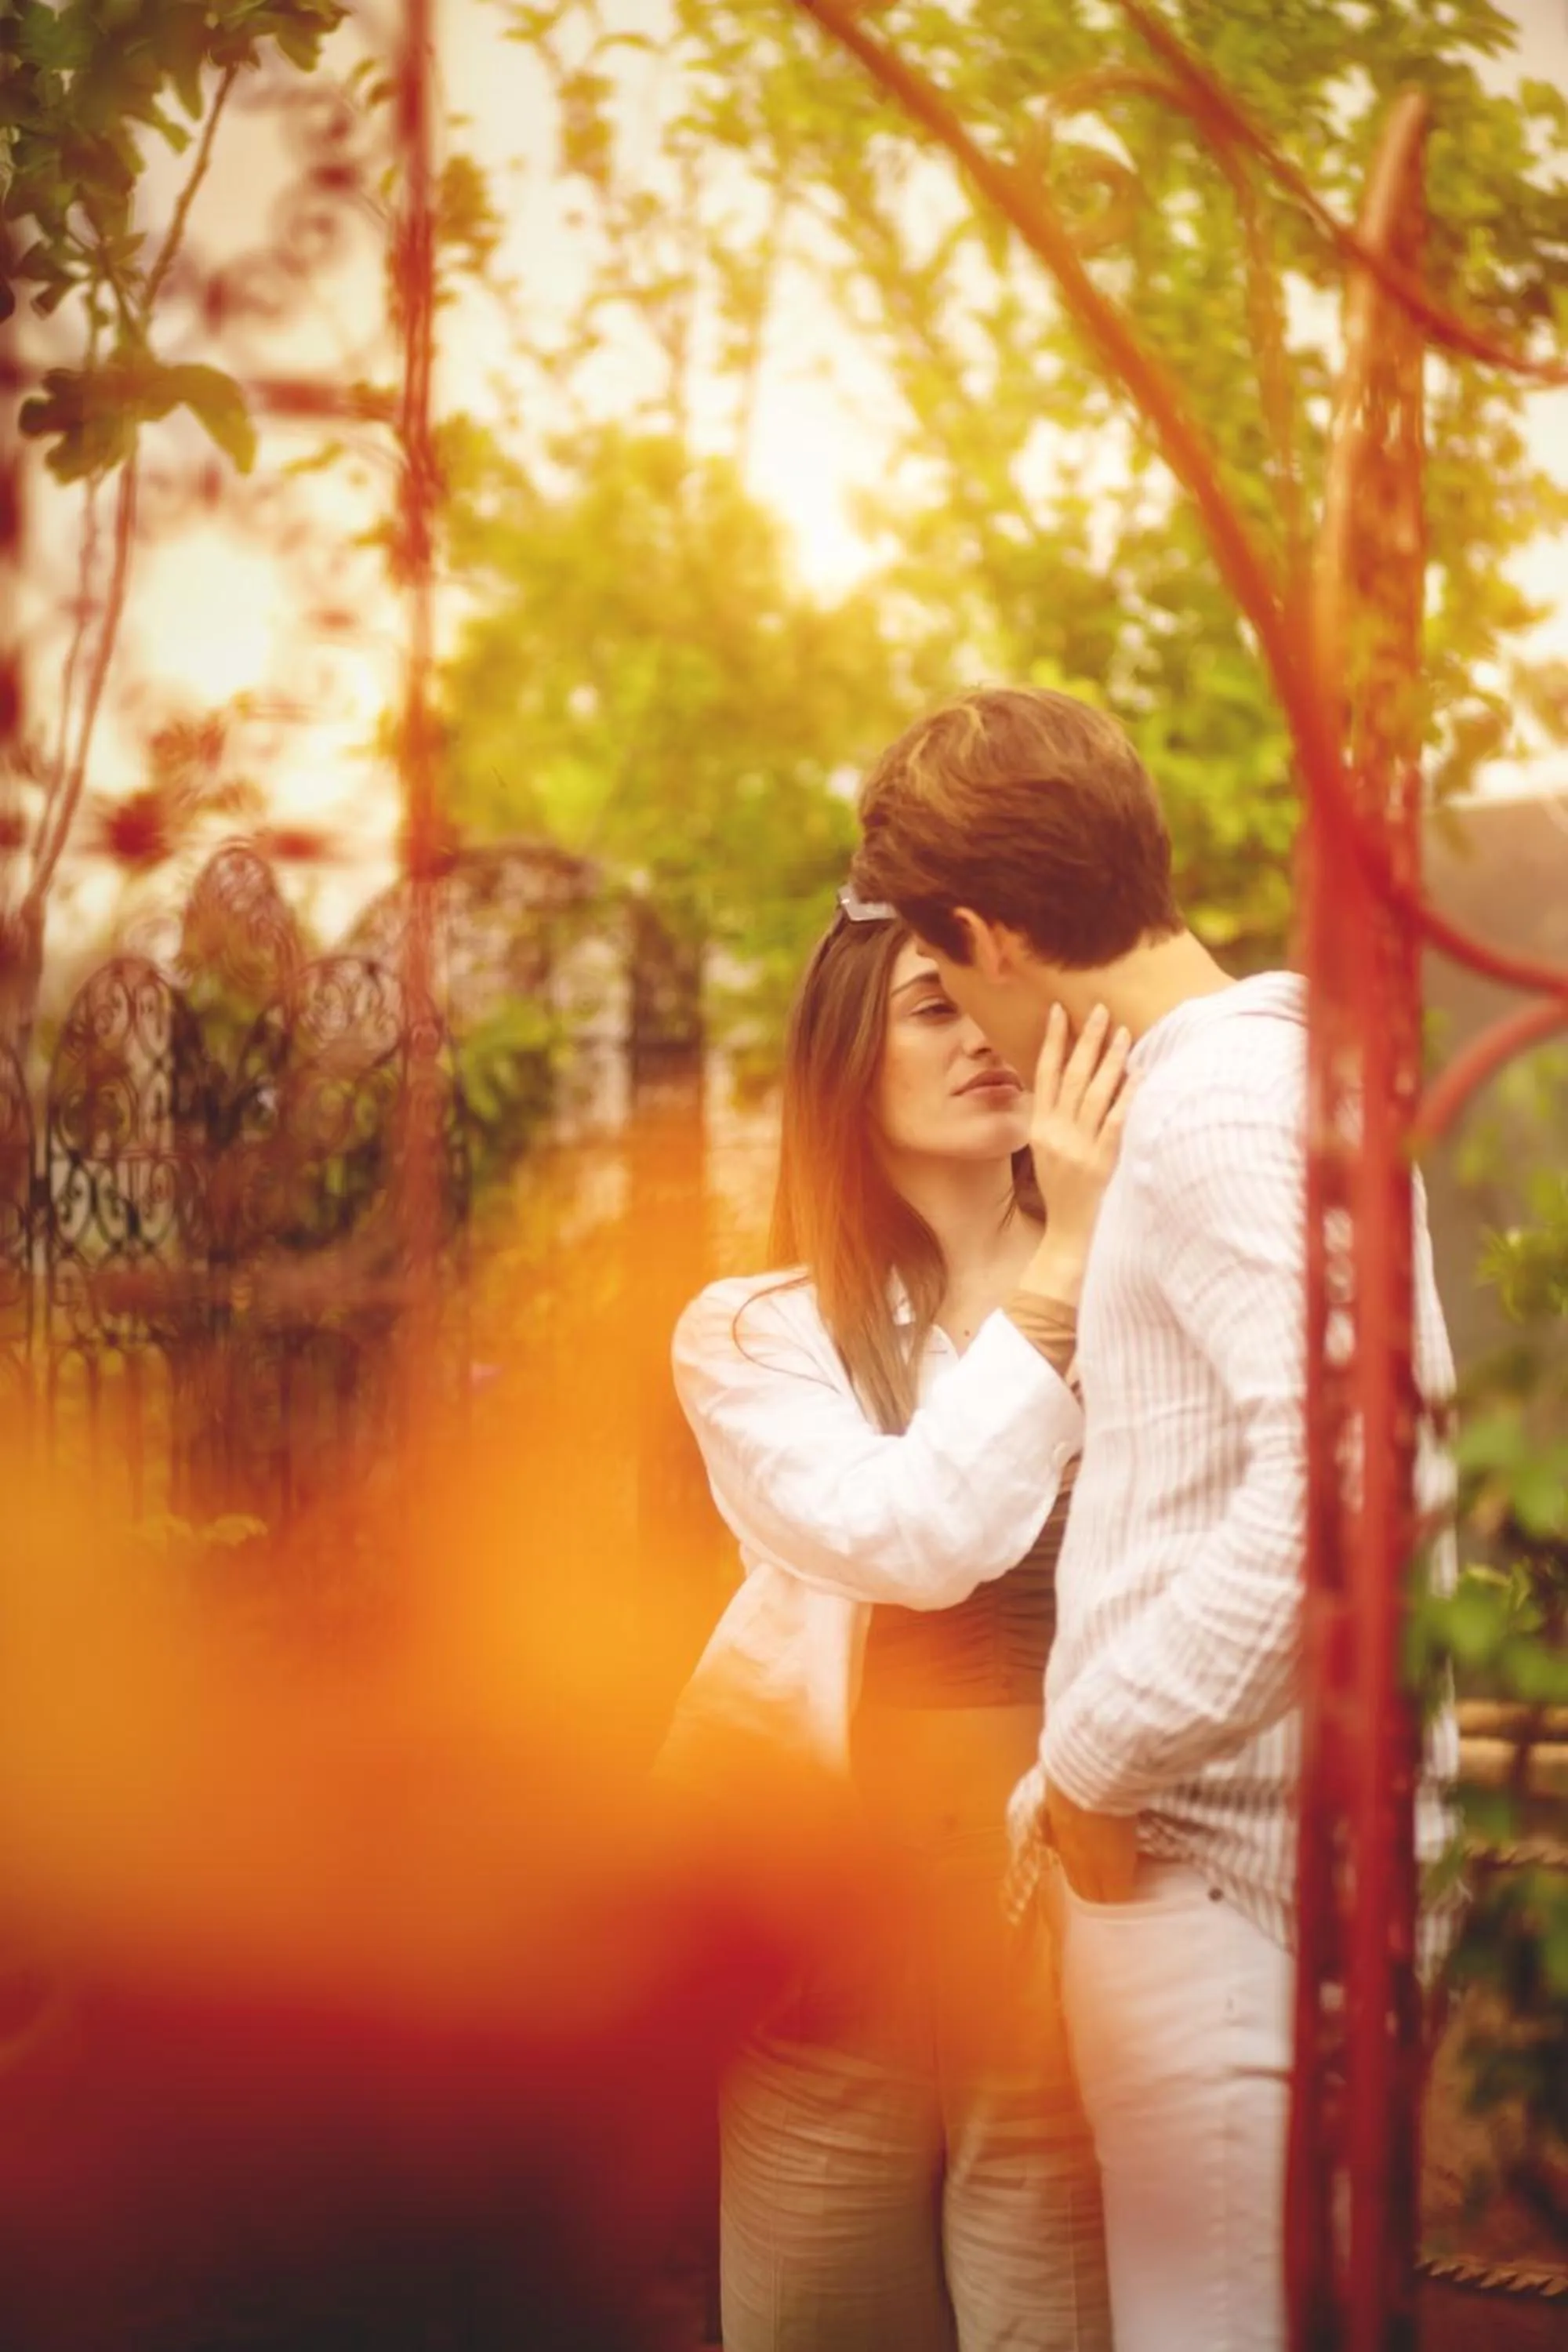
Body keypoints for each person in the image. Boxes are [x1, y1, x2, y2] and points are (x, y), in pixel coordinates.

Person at [848, 682, 1461, 2352]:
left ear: (986, 930)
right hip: (1248, 1883)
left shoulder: (1216, 1109)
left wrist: (1092, 1766)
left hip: (1216, 1894)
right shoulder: (1268, 1078)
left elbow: (1357, 1489)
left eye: (946, 967)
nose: (968, 1016)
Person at [666, 891, 1122, 2352]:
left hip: (1058, 1928)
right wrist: (1057, 1276)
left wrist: (1089, 1257)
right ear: (844, 1062)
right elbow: (909, 1538)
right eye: (933, 1008)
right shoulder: (751, 1331)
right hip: (826, 1929)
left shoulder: (1144, 1298)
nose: (982, 1039)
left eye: (989, 1004)